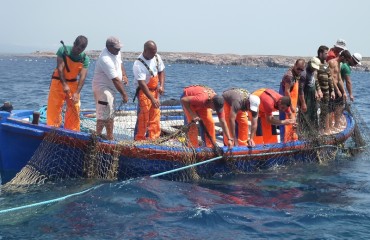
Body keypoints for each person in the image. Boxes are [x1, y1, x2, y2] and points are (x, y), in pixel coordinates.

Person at [46, 35, 90, 131]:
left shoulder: (84, 59)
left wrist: (77, 92)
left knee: (75, 106)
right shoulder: (62, 50)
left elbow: (82, 77)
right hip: (58, 81)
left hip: (73, 83)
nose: (78, 51)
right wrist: (65, 85)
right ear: (74, 44)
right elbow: (60, 68)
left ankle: (72, 130)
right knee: (55, 106)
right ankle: (52, 128)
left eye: (81, 50)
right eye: (77, 48)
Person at [92, 36, 129, 140]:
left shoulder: (116, 52)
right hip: (102, 88)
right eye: (117, 48)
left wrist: (124, 75)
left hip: (111, 89)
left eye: (119, 48)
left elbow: (120, 63)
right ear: (108, 47)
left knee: (110, 114)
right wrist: (124, 95)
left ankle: (110, 137)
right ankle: (96, 138)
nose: (119, 50)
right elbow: (116, 80)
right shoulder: (105, 59)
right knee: (103, 114)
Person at [133, 40, 165, 141]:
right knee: (143, 116)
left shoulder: (156, 57)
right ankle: (138, 139)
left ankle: (153, 138)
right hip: (144, 92)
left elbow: (161, 71)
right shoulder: (138, 64)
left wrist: (161, 85)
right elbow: (142, 84)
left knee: (155, 116)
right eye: (152, 52)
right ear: (145, 51)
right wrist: (152, 99)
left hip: (155, 91)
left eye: (155, 52)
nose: (154, 54)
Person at [279, 59, 306, 142]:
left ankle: (291, 139)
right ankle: (284, 142)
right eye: (298, 69)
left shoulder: (296, 74)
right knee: (285, 123)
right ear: (295, 65)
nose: (300, 71)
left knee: (292, 123)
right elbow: (287, 91)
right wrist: (291, 106)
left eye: (302, 69)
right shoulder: (289, 76)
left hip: (292, 102)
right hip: (285, 103)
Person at [327, 49, 352, 130]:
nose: (346, 62)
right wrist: (337, 90)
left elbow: (339, 79)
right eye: (346, 60)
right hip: (331, 89)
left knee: (340, 106)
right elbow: (331, 78)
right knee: (330, 109)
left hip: (337, 88)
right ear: (342, 57)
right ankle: (330, 127)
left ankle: (336, 125)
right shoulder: (332, 62)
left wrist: (344, 91)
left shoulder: (339, 64)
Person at [297, 57, 321, 136]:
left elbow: (315, 82)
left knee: (313, 116)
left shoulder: (313, 72)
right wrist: (303, 103)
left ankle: (312, 133)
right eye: (313, 67)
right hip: (306, 98)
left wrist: (317, 91)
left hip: (312, 99)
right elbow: (300, 90)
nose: (314, 69)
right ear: (310, 63)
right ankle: (304, 135)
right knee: (305, 117)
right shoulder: (304, 74)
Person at [315, 45, 335, 134]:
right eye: (325, 53)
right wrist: (318, 90)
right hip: (319, 93)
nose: (327, 55)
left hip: (327, 92)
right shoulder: (315, 63)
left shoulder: (326, 64)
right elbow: (314, 78)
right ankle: (318, 129)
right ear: (320, 53)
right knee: (317, 111)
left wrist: (333, 90)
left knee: (325, 110)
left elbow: (330, 77)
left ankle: (324, 129)